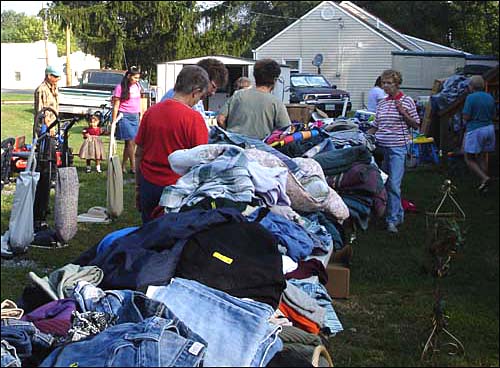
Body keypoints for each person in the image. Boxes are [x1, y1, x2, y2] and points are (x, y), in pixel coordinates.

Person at [134, 65, 210, 223]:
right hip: (177, 189)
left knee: (147, 235)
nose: (198, 101)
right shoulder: (194, 119)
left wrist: (138, 187)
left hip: (148, 184)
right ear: (195, 92)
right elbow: (202, 162)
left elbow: (139, 153)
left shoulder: (151, 112)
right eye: (200, 97)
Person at [367, 69, 420, 233]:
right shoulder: (382, 103)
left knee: (394, 185)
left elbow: (416, 124)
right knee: (382, 183)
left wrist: (403, 112)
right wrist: (364, 136)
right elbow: (376, 125)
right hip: (381, 147)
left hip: (397, 148)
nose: (386, 86)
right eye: (384, 83)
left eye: (389, 83)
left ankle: (392, 220)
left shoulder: (407, 101)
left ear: (397, 84)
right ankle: (394, 213)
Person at [223, 59, 291, 140]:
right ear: (275, 80)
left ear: (255, 76)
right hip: (260, 148)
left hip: (233, 144)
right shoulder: (276, 103)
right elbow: (286, 130)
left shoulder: (237, 95)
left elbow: (220, 119)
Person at [160, 58, 229, 122]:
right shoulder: (191, 101)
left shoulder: (171, 93)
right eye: (213, 87)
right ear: (204, 78)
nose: (213, 93)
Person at [462, 75, 496, 192]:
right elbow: (493, 114)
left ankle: (485, 178)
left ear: (472, 86)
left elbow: (466, 116)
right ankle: (484, 186)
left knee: (468, 157)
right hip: (489, 128)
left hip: (475, 129)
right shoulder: (489, 97)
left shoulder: (471, 98)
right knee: (481, 156)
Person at [112, 65, 143, 174]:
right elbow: (115, 105)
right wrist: (114, 121)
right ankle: (134, 166)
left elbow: (140, 102)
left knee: (131, 143)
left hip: (135, 116)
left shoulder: (138, 86)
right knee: (130, 141)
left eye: (138, 78)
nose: (136, 80)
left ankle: (123, 166)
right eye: (135, 78)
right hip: (123, 116)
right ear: (129, 76)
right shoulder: (120, 87)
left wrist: (141, 115)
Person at [34, 65, 61, 137]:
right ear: (49, 76)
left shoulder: (54, 88)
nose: (58, 79)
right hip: (44, 127)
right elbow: (41, 111)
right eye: (56, 77)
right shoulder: (42, 89)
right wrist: (50, 126)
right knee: (44, 147)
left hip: (52, 126)